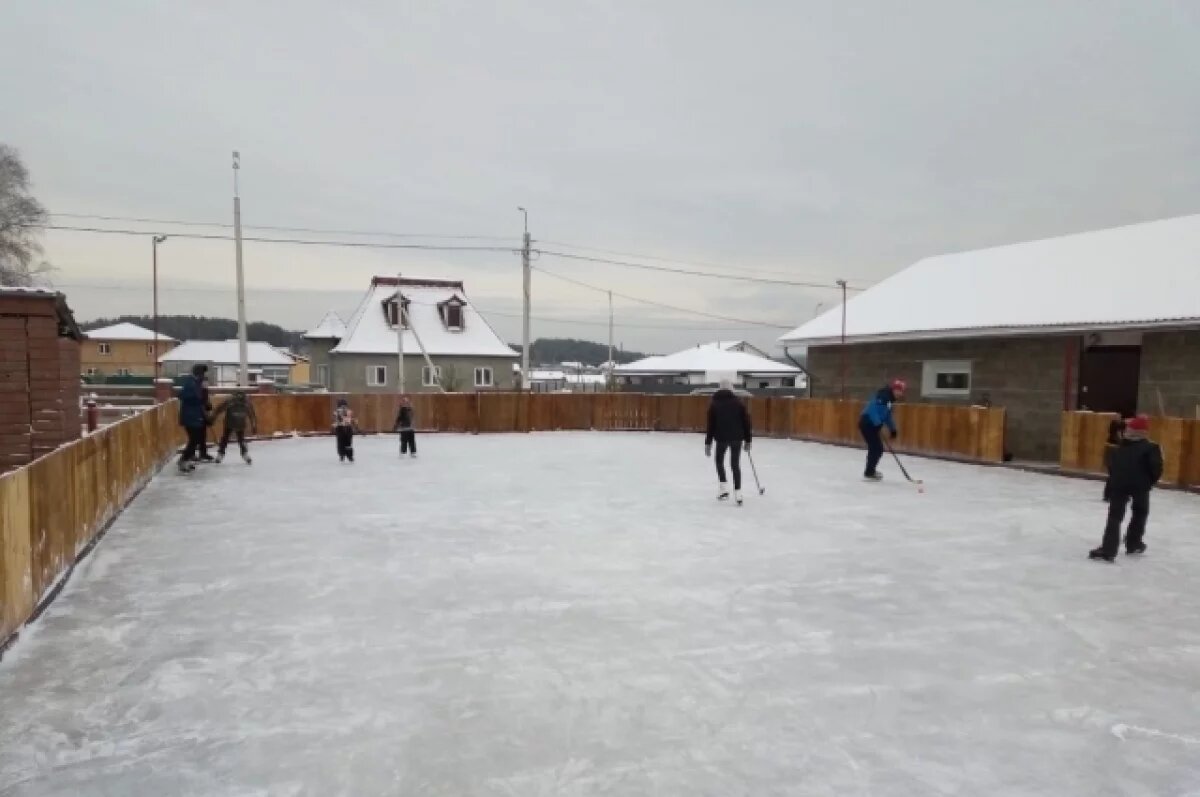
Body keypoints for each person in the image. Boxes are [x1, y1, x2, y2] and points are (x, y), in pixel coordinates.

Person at [1090, 415, 1163, 562]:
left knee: (1115, 516)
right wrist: (1149, 482)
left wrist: (1115, 482)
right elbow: (1156, 468)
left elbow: (1112, 467)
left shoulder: (1119, 448)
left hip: (1119, 485)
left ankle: (1108, 549)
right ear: (1144, 432)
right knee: (1140, 512)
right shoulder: (1151, 448)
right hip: (1140, 486)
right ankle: (1133, 543)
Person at [704, 379, 753, 504]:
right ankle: (738, 494)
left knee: (719, 461)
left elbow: (711, 425)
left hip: (721, 438)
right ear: (731, 389)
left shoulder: (714, 404)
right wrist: (748, 440)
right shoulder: (739, 403)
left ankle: (724, 488)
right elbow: (746, 423)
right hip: (737, 438)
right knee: (735, 464)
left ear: (719, 389)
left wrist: (708, 443)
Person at [860, 379, 905, 481]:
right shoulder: (883, 396)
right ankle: (869, 472)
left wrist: (892, 429)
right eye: (897, 390)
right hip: (867, 423)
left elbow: (887, 416)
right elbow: (872, 409)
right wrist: (877, 423)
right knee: (876, 448)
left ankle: (870, 471)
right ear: (893, 389)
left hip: (873, 425)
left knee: (877, 448)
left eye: (901, 391)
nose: (899, 392)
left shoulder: (890, 400)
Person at [210, 391, 258, 465]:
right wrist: (212, 417)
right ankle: (221, 454)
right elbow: (219, 409)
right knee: (228, 439)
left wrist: (254, 425)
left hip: (237, 424)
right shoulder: (232, 401)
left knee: (238, 439)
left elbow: (252, 415)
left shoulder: (245, 403)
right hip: (231, 423)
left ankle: (243, 453)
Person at [177, 364, 209, 472]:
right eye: (202, 373)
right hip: (190, 416)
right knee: (194, 439)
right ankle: (183, 460)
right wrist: (199, 399)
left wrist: (204, 399)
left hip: (195, 416)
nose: (203, 375)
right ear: (198, 373)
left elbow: (201, 398)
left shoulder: (196, 383)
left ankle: (187, 460)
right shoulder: (190, 383)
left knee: (195, 439)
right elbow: (182, 395)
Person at [1102, 417, 1126, 502]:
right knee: (1113, 477)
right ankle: (1108, 495)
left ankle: (1109, 495)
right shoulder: (1114, 437)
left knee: (1113, 477)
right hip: (1113, 460)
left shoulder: (1115, 436)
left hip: (1112, 460)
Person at [197, 380, 215, 463]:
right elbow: (202, 404)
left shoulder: (205, 391)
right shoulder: (200, 392)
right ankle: (200, 454)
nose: (207, 384)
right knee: (198, 437)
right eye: (205, 383)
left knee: (202, 436)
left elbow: (206, 403)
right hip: (199, 417)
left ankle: (203, 453)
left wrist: (209, 406)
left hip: (202, 416)